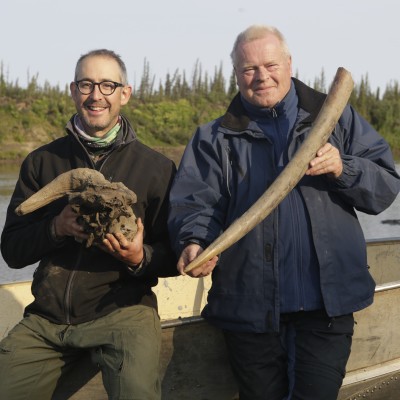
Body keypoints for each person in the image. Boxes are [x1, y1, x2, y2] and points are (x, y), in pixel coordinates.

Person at [168, 25, 400, 400]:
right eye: (249, 69)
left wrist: (344, 168)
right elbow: (195, 204)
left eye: (270, 64)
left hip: (325, 307)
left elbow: (385, 187)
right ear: (236, 74)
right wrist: (195, 242)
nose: (261, 76)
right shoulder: (213, 139)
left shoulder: (336, 118)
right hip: (248, 309)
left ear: (289, 64)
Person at [0, 49, 177, 400]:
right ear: (72, 90)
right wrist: (56, 228)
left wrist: (138, 257)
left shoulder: (156, 169)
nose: (96, 95)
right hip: (48, 319)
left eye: (108, 85)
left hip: (124, 313)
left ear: (124, 94)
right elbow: (12, 252)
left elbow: (176, 256)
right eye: (86, 84)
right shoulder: (42, 162)